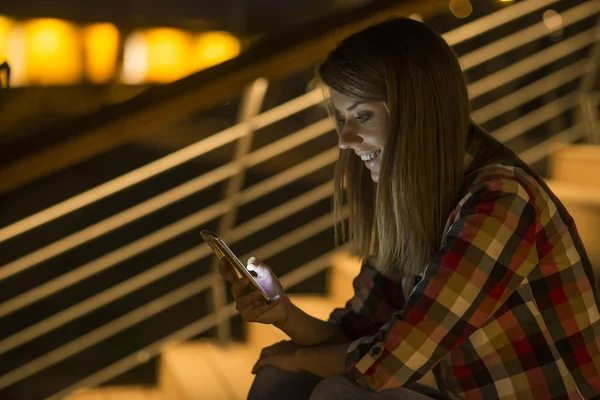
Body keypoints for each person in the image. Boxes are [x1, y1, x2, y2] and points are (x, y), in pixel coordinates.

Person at [218, 17, 600, 399]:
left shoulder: (502, 202)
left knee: (339, 393)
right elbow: (361, 334)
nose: (345, 140)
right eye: (341, 118)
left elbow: (394, 359)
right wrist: (283, 313)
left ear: (415, 110)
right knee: (281, 379)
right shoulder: (413, 200)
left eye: (362, 115)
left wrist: (302, 357)